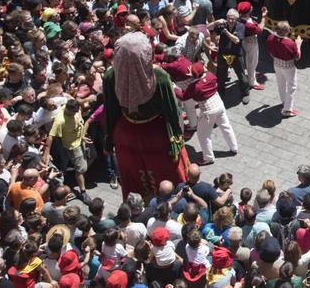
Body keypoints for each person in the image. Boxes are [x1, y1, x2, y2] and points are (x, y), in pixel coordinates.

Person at [102, 32, 190, 199]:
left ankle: (137, 208)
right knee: (167, 176)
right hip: (156, 135)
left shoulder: (110, 76)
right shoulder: (159, 77)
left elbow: (111, 110)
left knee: (135, 180)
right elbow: (171, 112)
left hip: (125, 136)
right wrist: (176, 140)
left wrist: (109, 140)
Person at [176, 62, 239, 165]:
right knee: (226, 127)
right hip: (219, 104)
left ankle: (208, 158)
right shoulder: (211, 76)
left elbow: (183, 96)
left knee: (203, 135)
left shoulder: (194, 86)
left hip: (208, 111)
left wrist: (174, 88)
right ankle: (234, 148)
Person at [265, 21, 303, 118]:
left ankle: (284, 101)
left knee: (281, 83)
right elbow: (297, 57)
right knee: (291, 87)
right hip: (288, 67)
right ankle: (287, 110)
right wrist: (298, 44)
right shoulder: (290, 43)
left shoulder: (270, 38)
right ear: (285, 32)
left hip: (277, 64)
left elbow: (270, 52)